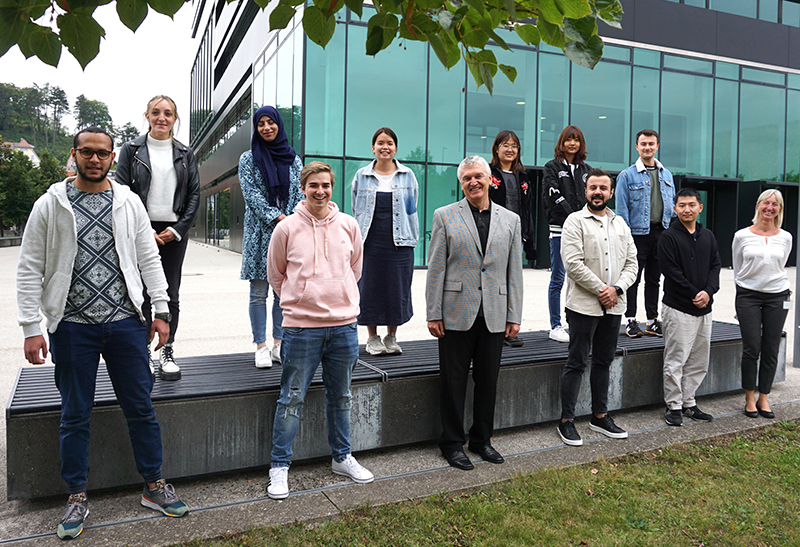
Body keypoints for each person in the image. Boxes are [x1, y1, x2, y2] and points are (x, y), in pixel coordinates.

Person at [16, 127, 189, 540]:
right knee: (75, 415)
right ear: (74, 155)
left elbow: (149, 258)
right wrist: (30, 327)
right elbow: (28, 268)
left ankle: (153, 485)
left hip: (126, 324)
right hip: (72, 327)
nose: (94, 159)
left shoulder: (128, 202)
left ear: (113, 157)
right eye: (87, 152)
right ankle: (76, 495)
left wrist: (161, 309)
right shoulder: (50, 205)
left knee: (141, 408)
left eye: (102, 153)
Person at [266, 161, 374, 499]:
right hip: (301, 329)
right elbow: (276, 275)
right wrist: (301, 299)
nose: (320, 191)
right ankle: (279, 466)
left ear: (332, 187)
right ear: (303, 188)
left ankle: (342, 457)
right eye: (314, 185)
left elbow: (354, 268)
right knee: (291, 399)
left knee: (341, 397)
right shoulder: (285, 229)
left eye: (326, 185)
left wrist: (337, 295)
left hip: (343, 327)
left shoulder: (349, 225)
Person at [426, 156, 524, 470]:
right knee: (453, 382)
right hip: (456, 313)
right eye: (467, 178)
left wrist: (514, 314)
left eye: (478, 176)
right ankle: (452, 444)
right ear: (461, 182)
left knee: (488, 381)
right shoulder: (444, 216)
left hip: (494, 313)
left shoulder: (510, 220)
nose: (473, 182)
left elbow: (514, 272)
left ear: (490, 179)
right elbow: (436, 268)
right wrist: (433, 312)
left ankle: (482, 440)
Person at [116, 95, 200, 381]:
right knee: (139, 291)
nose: (161, 117)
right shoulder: (131, 149)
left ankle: (167, 350)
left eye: (168, 113)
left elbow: (194, 196)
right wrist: (143, 229)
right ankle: (142, 353)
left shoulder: (186, 153)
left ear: (175, 119)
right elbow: (123, 191)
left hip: (174, 232)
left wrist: (177, 230)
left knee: (169, 291)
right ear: (147, 116)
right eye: (156, 112)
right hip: (141, 228)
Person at [558, 168, 638, 447]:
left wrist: (616, 289)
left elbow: (632, 263)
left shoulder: (620, 224)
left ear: (611, 192)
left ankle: (599, 416)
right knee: (577, 362)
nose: (598, 192)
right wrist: (601, 289)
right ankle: (566, 420)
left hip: (614, 305)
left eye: (603, 188)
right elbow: (572, 263)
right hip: (583, 305)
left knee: (604, 361)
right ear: (586, 191)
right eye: (593, 188)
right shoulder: (574, 221)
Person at [239, 106, 303, 368]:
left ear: (279, 125)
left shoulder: (293, 159)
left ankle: (278, 344)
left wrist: (291, 220)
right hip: (259, 233)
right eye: (261, 124)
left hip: (287, 233)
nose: (266, 128)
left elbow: (300, 193)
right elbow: (250, 193)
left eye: (270, 123)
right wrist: (277, 216)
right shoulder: (248, 158)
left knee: (282, 293)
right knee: (258, 292)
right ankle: (260, 346)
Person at [351, 128, 419, 355]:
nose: (385, 147)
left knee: (396, 289)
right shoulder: (362, 175)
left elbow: (412, 209)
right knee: (369, 289)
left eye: (389, 143)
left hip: (400, 243)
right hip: (370, 242)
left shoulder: (408, 175)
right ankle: (372, 338)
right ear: (373, 147)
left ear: (395, 148)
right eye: (380, 143)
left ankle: (392, 336)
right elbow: (355, 208)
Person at [658, 188, 721, 427]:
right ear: (674, 209)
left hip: (705, 309)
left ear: (700, 207)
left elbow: (716, 266)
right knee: (676, 360)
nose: (687, 209)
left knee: (698, 361)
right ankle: (673, 406)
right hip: (678, 308)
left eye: (691, 205)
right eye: (682, 205)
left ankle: (689, 403)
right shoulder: (668, 237)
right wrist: (694, 293)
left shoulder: (708, 236)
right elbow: (670, 271)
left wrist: (708, 292)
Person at [732, 189, 792, 420]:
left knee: (771, 347)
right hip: (748, 295)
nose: (770, 207)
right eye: (766, 203)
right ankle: (749, 397)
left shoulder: (785, 237)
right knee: (751, 348)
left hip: (777, 295)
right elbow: (738, 267)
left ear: (779, 209)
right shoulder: (741, 235)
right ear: (758, 205)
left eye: (775, 204)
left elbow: (781, 263)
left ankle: (764, 396)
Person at [614, 129, 676, 339]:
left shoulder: (667, 175)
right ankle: (630, 320)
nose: (647, 147)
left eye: (651, 144)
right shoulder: (626, 175)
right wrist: (625, 238)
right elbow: (621, 211)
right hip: (637, 235)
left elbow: (671, 205)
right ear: (637, 147)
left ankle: (652, 320)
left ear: (657, 146)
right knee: (633, 279)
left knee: (654, 279)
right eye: (643, 144)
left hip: (661, 233)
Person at [542, 126, 592, 344]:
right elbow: (552, 195)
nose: (572, 143)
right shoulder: (552, 167)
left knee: (580, 278)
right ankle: (555, 325)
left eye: (576, 140)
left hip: (584, 232)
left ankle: (577, 322)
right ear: (561, 143)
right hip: (560, 230)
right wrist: (574, 218)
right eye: (568, 139)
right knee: (558, 278)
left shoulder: (586, 169)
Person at [488, 130, 534, 347]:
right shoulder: (488, 173)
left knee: (512, 282)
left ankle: (509, 328)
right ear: (496, 148)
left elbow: (527, 209)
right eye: (505, 145)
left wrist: (530, 238)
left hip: (516, 235)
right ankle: (494, 327)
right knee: (494, 283)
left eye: (514, 146)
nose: (510, 149)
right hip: (492, 235)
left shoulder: (523, 177)